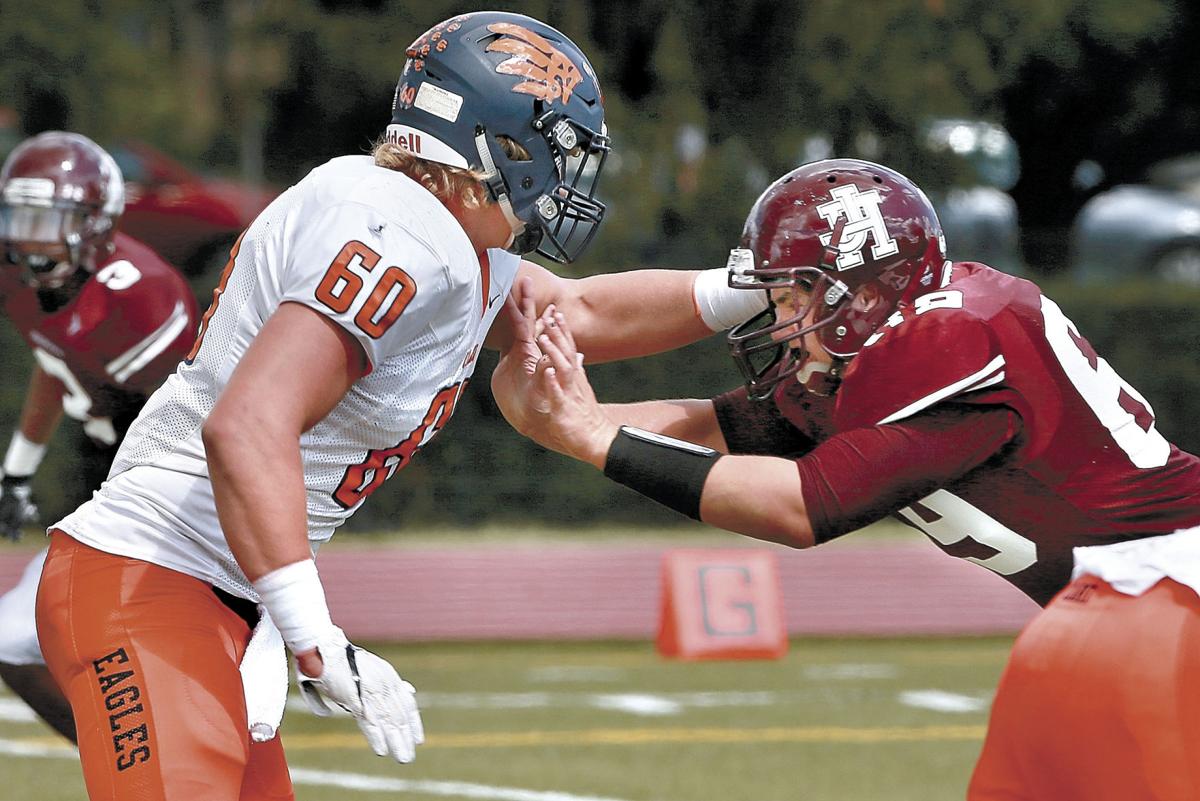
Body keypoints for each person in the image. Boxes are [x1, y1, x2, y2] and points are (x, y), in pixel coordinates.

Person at [33, 12, 766, 801]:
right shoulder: (403, 232)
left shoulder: (439, 236)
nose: (565, 177)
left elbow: (576, 313)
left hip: (211, 592)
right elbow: (246, 424)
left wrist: (755, 287)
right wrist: (316, 636)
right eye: (559, 148)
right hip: (151, 579)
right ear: (501, 143)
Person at [492, 157, 1200, 800]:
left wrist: (595, 436)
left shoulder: (949, 339)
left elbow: (805, 507)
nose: (780, 316)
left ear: (859, 293)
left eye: (794, 294)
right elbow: (717, 428)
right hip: (1113, 615)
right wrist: (563, 419)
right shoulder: (860, 357)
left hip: (1169, 595)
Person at [0, 131, 200, 744]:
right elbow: (55, 363)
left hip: (175, 499)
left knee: (117, 651)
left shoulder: (138, 290)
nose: (32, 237)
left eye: (48, 219)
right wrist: (17, 470)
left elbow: (199, 417)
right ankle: (126, 761)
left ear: (93, 222)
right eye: (21, 217)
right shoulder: (32, 287)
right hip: (109, 485)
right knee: (16, 644)